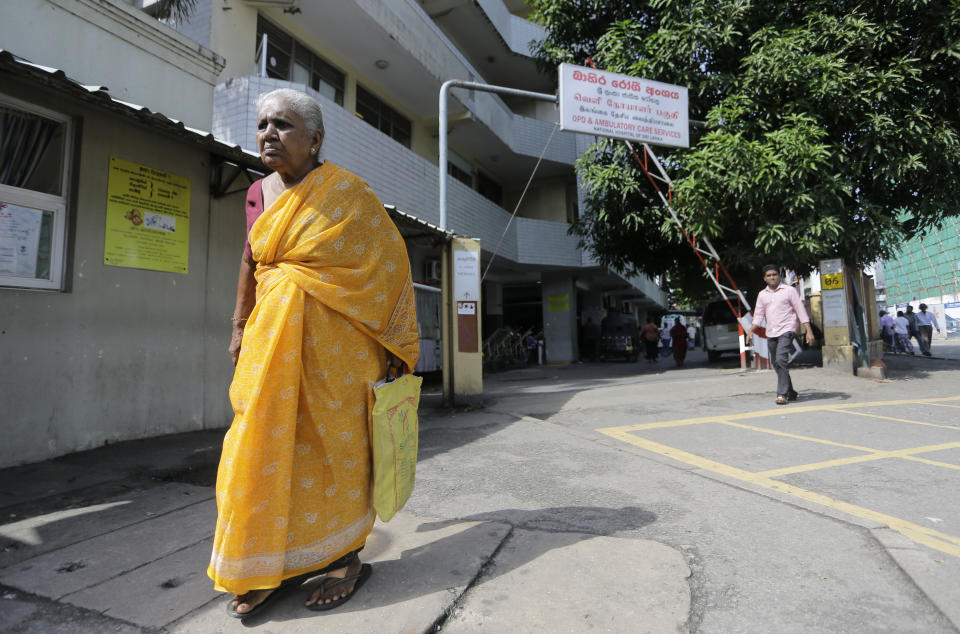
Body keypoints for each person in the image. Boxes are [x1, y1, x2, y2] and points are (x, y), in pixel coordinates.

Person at [210, 88, 420, 618]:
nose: (268, 134)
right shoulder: (257, 193)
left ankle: (345, 560)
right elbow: (251, 260)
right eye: (261, 124)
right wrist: (238, 327)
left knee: (334, 451)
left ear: (316, 139)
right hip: (269, 341)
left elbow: (390, 263)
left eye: (282, 124)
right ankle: (265, 564)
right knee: (256, 443)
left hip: (341, 352)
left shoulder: (349, 194)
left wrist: (392, 345)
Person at [746, 265, 815, 405]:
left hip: (787, 330)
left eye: (774, 274)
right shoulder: (762, 295)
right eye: (769, 275)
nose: (772, 277)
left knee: (781, 360)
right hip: (771, 332)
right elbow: (759, 315)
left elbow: (800, 310)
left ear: (779, 275)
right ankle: (791, 391)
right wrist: (751, 330)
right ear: (764, 278)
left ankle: (782, 394)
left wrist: (809, 330)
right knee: (777, 364)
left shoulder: (789, 291)